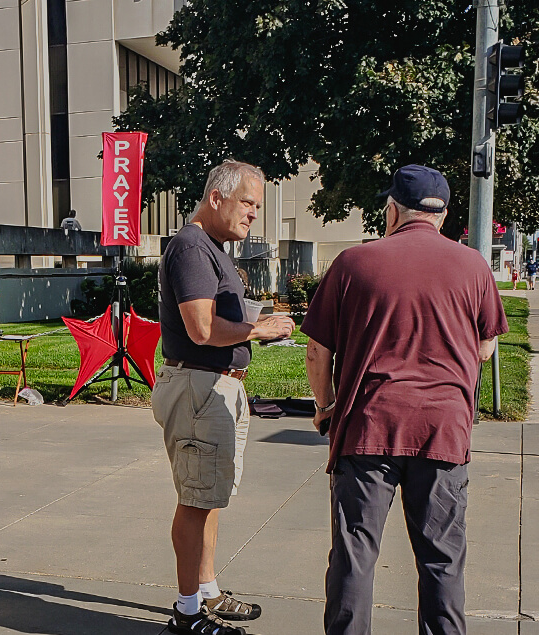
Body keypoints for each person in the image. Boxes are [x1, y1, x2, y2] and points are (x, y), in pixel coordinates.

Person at [302, 165, 508, 635]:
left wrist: (326, 405)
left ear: (392, 209)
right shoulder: (474, 265)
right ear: (444, 214)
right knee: (442, 560)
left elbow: (317, 349)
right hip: (443, 432)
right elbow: (486, 343)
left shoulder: (354, 263)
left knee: (354, 558)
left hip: (367, 426)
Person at [152, 160, 295, 635]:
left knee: (208, 496)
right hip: (199, 387)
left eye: (258, 205)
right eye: (247, 203)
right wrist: (259, 328)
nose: (253, 213)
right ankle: (187, 613)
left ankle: (207, 590)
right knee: (196, 500)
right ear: (216, 197)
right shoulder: (192, 246)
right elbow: (202, 327)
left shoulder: (210, 247)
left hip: (212, 387)